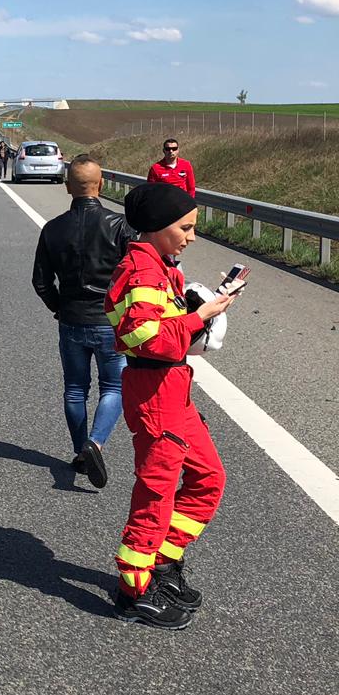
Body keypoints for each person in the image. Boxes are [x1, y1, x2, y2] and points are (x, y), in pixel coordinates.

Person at [104, 182, 234, 629]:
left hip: (173, 388)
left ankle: (162, 560)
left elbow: (166, 332)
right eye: (186, 228)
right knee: (156, 491)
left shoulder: (161, 268)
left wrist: (205, 311)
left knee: (209, 477)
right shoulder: (143, 272)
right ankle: (134, 590)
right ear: (159, 226)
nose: (192, 237)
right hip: (156, 391)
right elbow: (143, 337)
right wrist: (200, 316)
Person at [32, 156, 134, 488]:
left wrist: (59, 308)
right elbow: (136, 276)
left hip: (72, 319)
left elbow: (41, 282)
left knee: (75, 389)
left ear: (67, 187)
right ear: (101, 185)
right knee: (114, 386)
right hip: (109, 322)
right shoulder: (120, 226)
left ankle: (80, 451)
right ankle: (96, 443)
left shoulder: (53, 228)